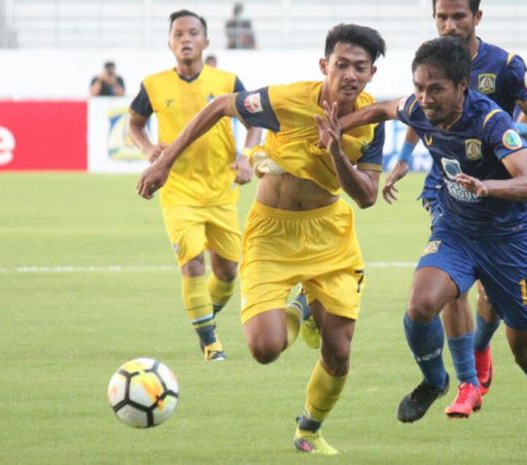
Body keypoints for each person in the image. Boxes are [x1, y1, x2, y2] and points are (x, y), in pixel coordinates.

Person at [136, 23, 386, 455]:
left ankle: (309, 428)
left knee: (339, 352)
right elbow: (217, 109)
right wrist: (165, 164)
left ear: (371, 73)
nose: (349, 74)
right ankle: (302, 306)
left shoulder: (371, 122)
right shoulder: (286, 100)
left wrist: (336, 152)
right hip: (272, 233)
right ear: (324, 66)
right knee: (265, 348)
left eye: (359, 68)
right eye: (341, 64)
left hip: (330, 237)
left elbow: (366, 197)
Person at [340, 36, 527, 463]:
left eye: (435, 89)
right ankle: (435, 381)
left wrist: (487, 185)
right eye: (418, 86)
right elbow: (381, 108)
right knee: (420, 305)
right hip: (456, 229)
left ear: (462, 85)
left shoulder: (492, 122)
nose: (424, 98)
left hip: (507, 241)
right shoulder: (419, 108)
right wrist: (336, 127)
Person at [383, 0, 527, 418]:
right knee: (447, 284)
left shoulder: (507, 65)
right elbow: (417, 108)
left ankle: (479, 347)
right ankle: (465, 384)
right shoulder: (433, 61)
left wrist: (507, 128)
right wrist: (404, 156)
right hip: (450, 185)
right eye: (441, 16)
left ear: (477, 18)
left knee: (491, 300)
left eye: (458, 16)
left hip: (500, 190)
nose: (449, 24)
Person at [128, 9, 262, 361]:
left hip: (220, 190)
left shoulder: (228, 81)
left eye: (192, 33)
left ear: (206, 41)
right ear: (170, 43)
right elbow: (135, 123)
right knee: (192, 264)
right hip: (177, 191)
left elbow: (254, 121)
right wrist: (147, 150)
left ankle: (204, 315)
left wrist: (247, 156)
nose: (185, 39)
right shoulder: (153, 85)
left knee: (228, 270)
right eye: (178, 35)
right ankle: (210, 341)